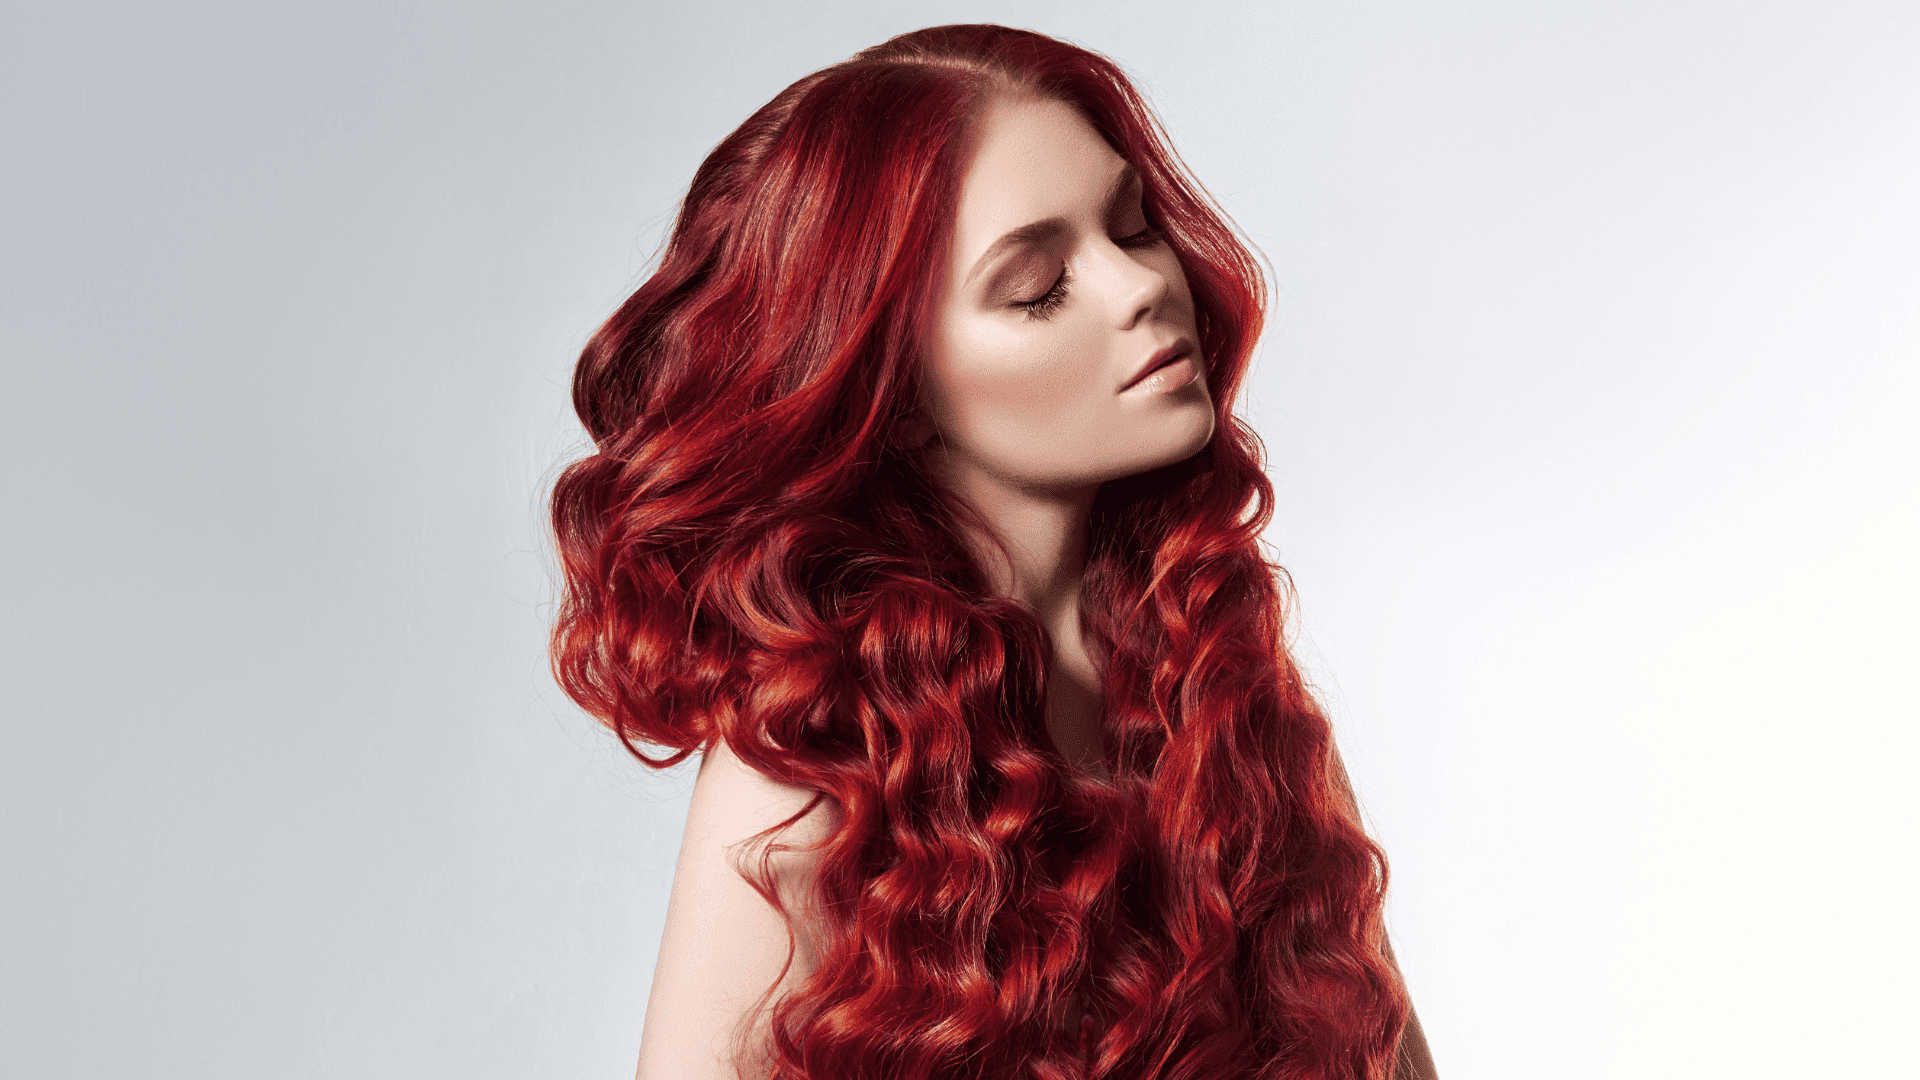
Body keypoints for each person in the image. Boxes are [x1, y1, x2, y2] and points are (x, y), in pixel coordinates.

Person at [550, 23, 1438, 1080]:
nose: (1141, 288)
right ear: (899, 399)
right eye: (1036, 288)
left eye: (1134, 227)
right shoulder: (802, 777)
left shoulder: (1226, 693)